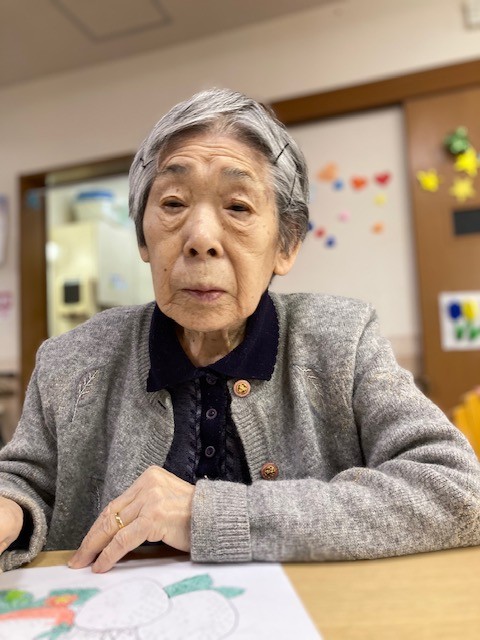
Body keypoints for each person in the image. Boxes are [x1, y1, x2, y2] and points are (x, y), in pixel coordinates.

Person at [1, 89, 479, 573]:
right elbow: (25, 480)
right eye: (173, 202)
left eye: (238, 207)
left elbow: (457, 489)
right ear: (143, 238)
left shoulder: (342, 341)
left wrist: (209, 515)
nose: (200, 238)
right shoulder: (71, 360)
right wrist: (12, 509)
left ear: (286, 244)